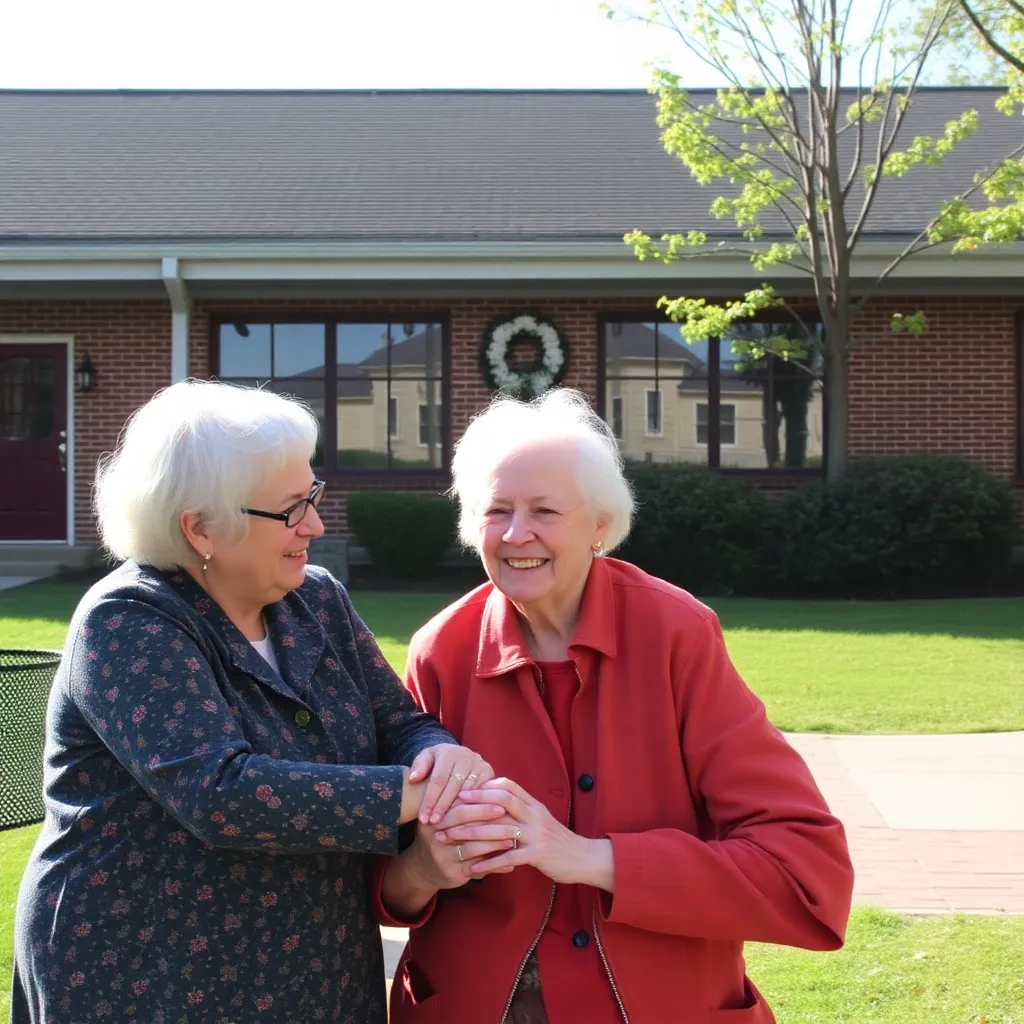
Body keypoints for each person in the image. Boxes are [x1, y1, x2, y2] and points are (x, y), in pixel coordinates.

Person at [11, 380, 491, 1024]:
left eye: (313, 497)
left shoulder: (314, 598)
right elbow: (219, 791)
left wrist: (440, 755)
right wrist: (421, 795)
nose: (315, 525)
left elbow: (398, 721)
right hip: (149, 973)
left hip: (315, 966)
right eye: (292, 509)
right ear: (200, 527)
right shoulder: (129, 619)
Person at [377, 388, 855, 1024]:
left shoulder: (675, 635)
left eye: (545, 510)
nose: (518, 534)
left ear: (601, 524)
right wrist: (424, 869)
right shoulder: (441, 649)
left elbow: (806, 876)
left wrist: (586, 856)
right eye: (497, 511)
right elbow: (382, 884)